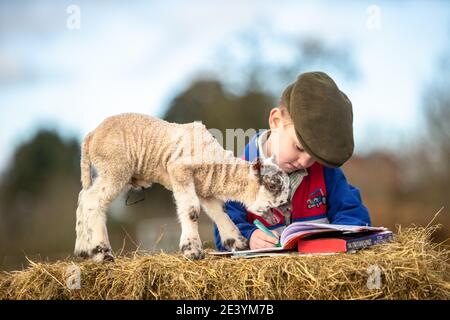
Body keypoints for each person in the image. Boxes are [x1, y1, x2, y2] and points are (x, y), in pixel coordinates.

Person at [214, 71, 371, 251]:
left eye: (314, 156)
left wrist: (339, 236)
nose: (305, 161)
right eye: (300, 148)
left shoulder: (325, 172)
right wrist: (250, 237)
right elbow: (224, 228)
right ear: (276, 121)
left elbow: (353, 212)